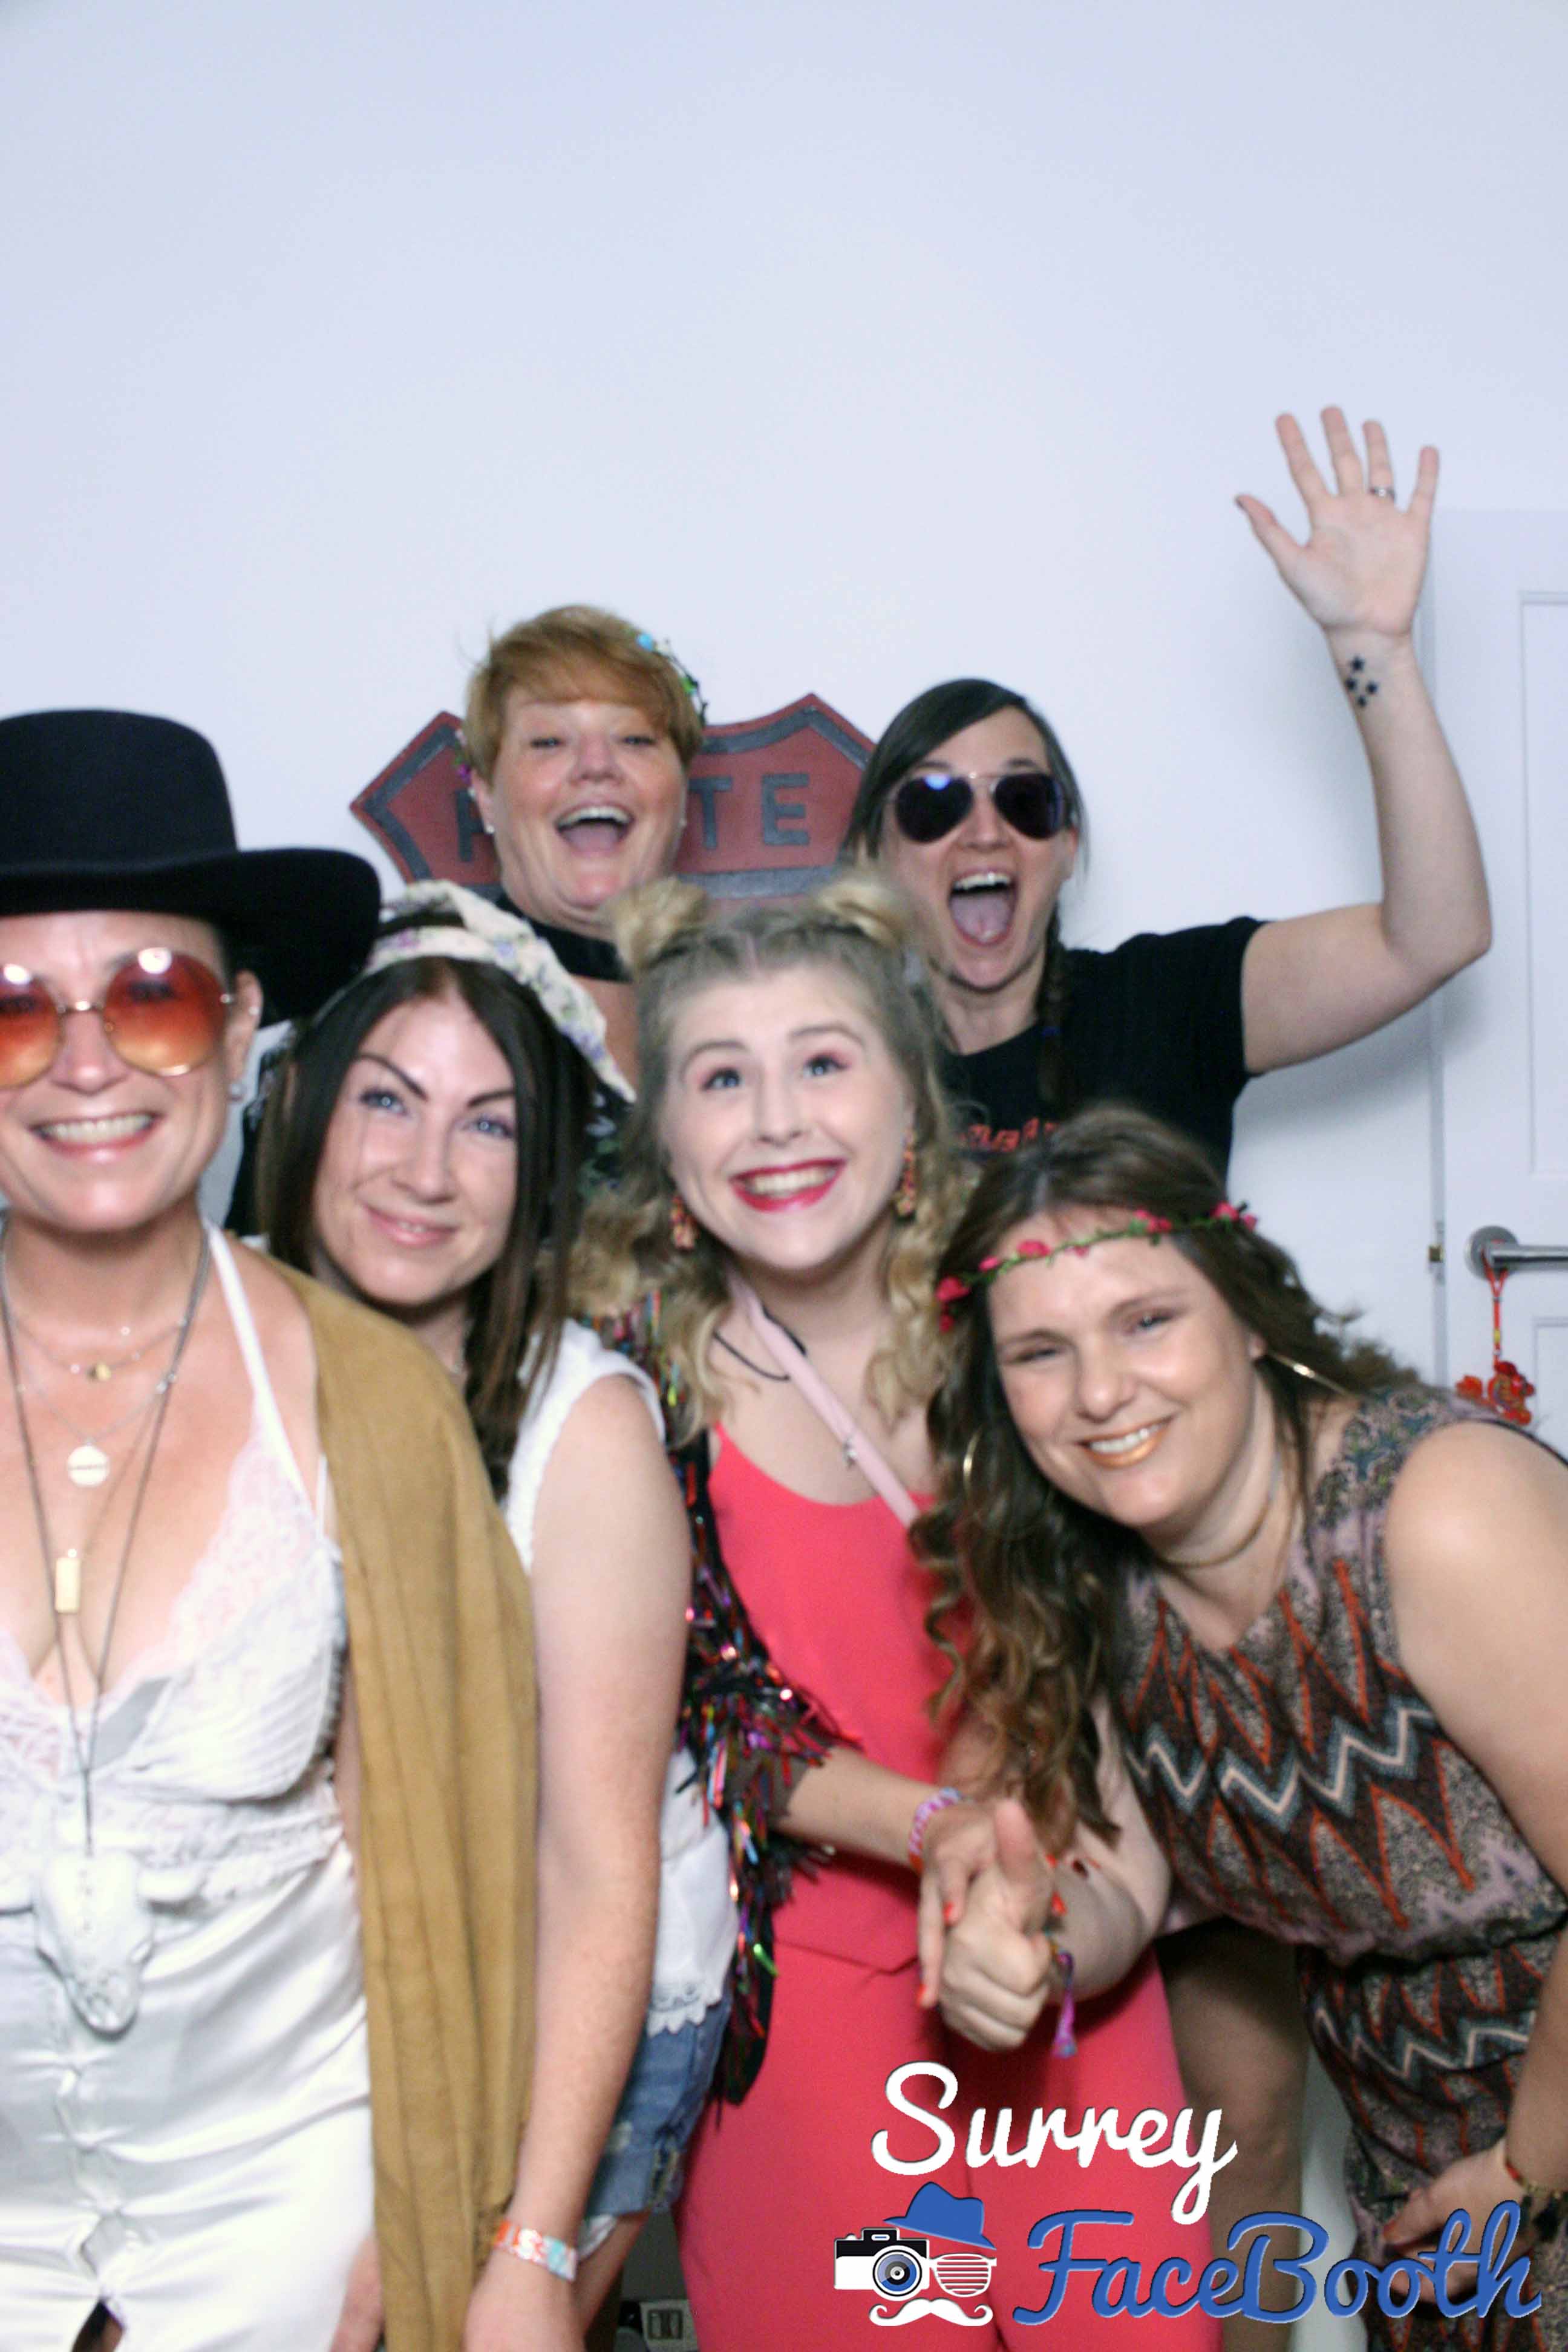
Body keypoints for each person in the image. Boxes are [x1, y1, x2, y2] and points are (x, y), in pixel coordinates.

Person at [575, 877, 1221, 2352]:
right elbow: (678, 1722)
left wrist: (1062, 1927)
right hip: (809, 2027)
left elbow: (1134, 1673)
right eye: (719, 1078)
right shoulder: (626, 1395)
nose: (776, 1120)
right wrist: (937, 1830)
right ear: (665, 1145)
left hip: (1062, 1980)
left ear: (915, 1110)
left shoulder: (1036, 1333)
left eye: (823, 1060)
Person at [0, 710, 535, 2352]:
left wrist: (428, 2219)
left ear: (238, 1029)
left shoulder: (372, 1405)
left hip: (287, 2233)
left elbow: (452, 1862)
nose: (88, 1063)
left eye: (152, 995)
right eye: (13, 1009)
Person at [917, 1105, 1568, 2351]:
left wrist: (1527, 2168)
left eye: (1145, 1321)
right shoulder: (1096, 1580)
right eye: (1041, 1351)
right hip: (1435, 2197)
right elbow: (1126, 1884)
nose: (1099, 1391)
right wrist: (1033, 1938)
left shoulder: (1433, 1512)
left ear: (1250, 1315)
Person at [255, 878, 719, 2349]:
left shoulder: (585, 1433)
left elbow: (596, 1864)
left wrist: (528, 2239)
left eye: (489, 1124)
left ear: (540, 1174)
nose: (426, 1169)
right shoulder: (212, 1364)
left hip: (556, 2024)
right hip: (305, 2018)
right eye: (387, 1100)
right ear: (301, 1106)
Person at [843, 408, 1490, 1176]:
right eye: (935, 803)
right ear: (874, 855)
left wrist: (1374, 649)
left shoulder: (1163, 1004)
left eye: (1024, 801)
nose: (985, 831)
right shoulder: (838, 1069)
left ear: (1067, 844)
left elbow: (1433, 939)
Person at [463, 603, 707, 1093]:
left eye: (635, 740)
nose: (596, 765)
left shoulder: (741, 1004)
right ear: (487, 797)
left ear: (682, 793)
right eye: (549, 742)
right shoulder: (431, 1005)